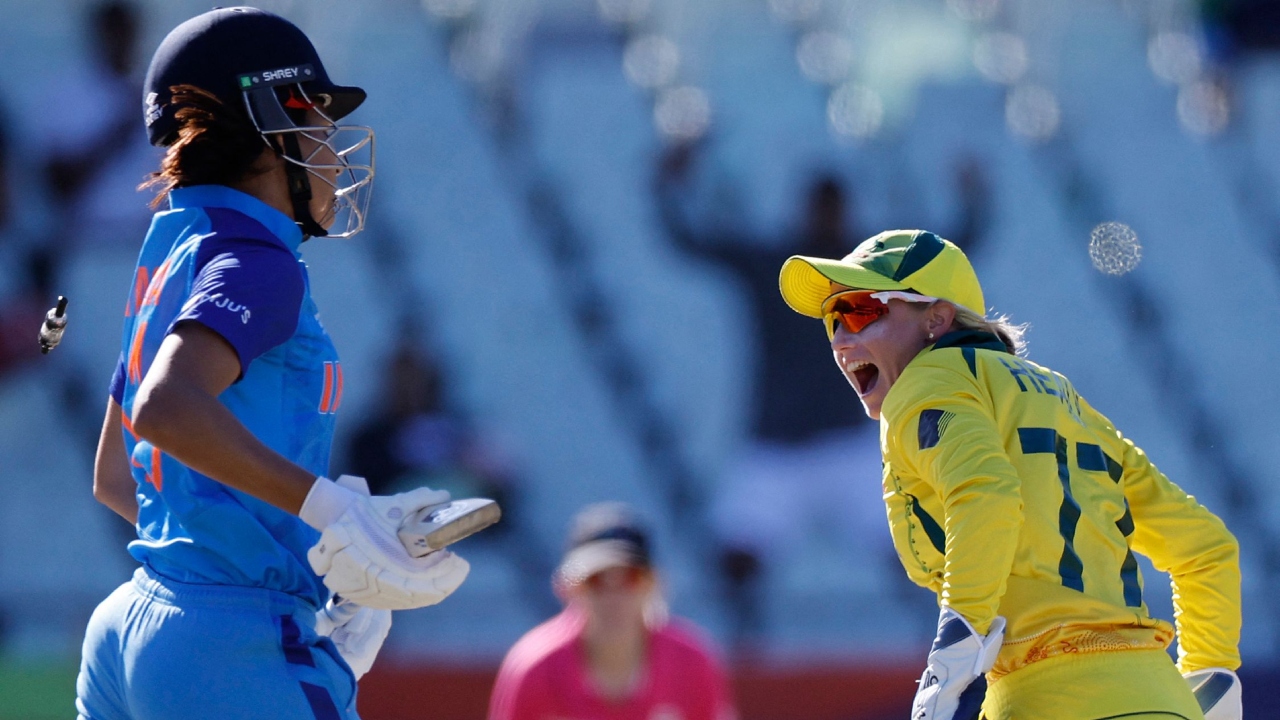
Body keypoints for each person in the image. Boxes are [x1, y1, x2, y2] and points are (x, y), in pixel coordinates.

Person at [77, 8, 470, 719]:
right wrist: (332, 514)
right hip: (229, 643)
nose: (331, 145)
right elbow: (165, 408)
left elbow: (114, 473)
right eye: (318, 120)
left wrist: (304, 568)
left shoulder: (171, 254)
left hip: (132, 628)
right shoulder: (258, 261)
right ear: (272, 124)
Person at [777, 229, 1242, 720]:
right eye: (833, 319)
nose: (842, 338)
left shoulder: (923, 384)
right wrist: (1211, 686)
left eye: (861, 311)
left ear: (936, 318)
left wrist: (952, 656)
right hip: (1158, 696)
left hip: (1046, 698)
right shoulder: (1061, 396)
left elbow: (986, 495)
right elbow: (1205, 547)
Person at [655, 143, 883, 647]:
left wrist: (975, 198)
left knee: (919, 548)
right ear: (804, 210)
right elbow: (689, 241)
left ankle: (940, 654)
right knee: (735, 558)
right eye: (820, 205)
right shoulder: (775, 265)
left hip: (848, 444)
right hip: (777, 447)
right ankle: (744, 649)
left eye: (835, 206)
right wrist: (667, 187)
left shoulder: (872, 268)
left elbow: (953, 248)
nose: (827, 216)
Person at [488, 503, 736, 720]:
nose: (614, 596)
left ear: (656, 583)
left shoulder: (692, 663)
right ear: (566, 586)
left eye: (631, 578)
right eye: (596, 580)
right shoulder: (535, 667)